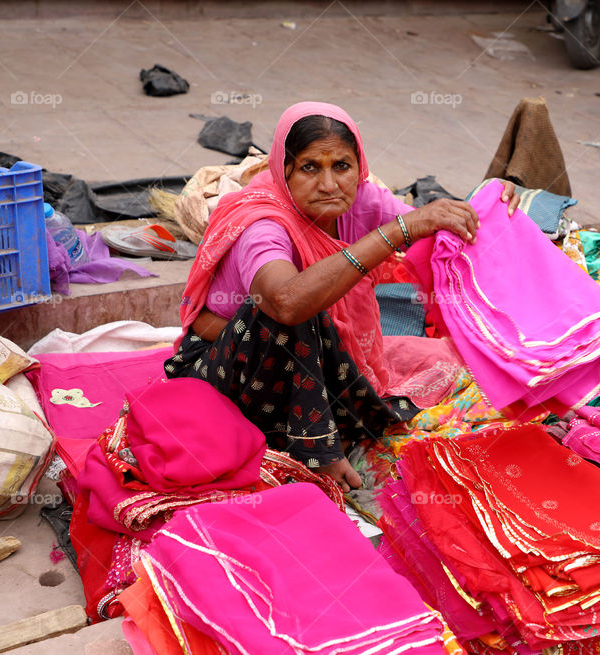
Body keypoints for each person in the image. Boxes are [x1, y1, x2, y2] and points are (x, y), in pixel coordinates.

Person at [165, 102, 520, 492]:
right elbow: (286, 302)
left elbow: (431, 228)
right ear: (283, 170)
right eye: (310, 168)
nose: (330, 184)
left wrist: (489, 205)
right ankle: (317, 452)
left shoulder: (358, 200)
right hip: (230, 370)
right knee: (298, 306)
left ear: (359, 166)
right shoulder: (263, 226)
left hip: (296, 365)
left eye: (342, 166)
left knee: (323, 317)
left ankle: (317, 426)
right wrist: (396, 232)